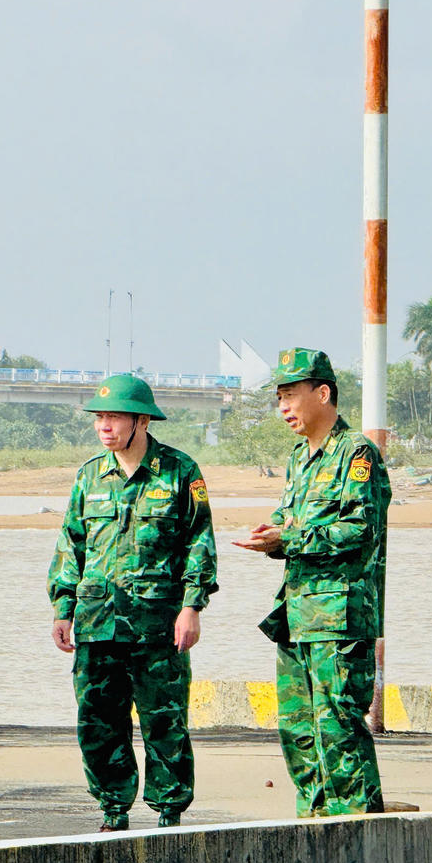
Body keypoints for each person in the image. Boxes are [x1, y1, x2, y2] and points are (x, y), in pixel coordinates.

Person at [47, 374, 218, 832]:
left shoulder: (180, 472)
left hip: (158, 625)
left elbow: (199, 543)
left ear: (141, 420)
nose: (105, 426)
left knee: (165, 721)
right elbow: (71, 546)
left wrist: (192, 607)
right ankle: (113, 810)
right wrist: (63, 609)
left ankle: (168, 811)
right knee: (99, 722)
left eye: (115, 416)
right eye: (100, 417)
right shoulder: (89, 476)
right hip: (98, 622)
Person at [232, 348, 390, 818]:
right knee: (298, 730)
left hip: (339, 619)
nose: (282, 407)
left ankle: (358, 825)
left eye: (290, 395)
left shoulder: (357, 454)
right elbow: (290, 519)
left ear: (322, 393)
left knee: (339, 725)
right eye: (278, 397)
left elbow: (361, 531)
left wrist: (292, 537)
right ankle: (314, 823)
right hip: (297, 614)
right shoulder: (300, 458)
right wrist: (271, 538)